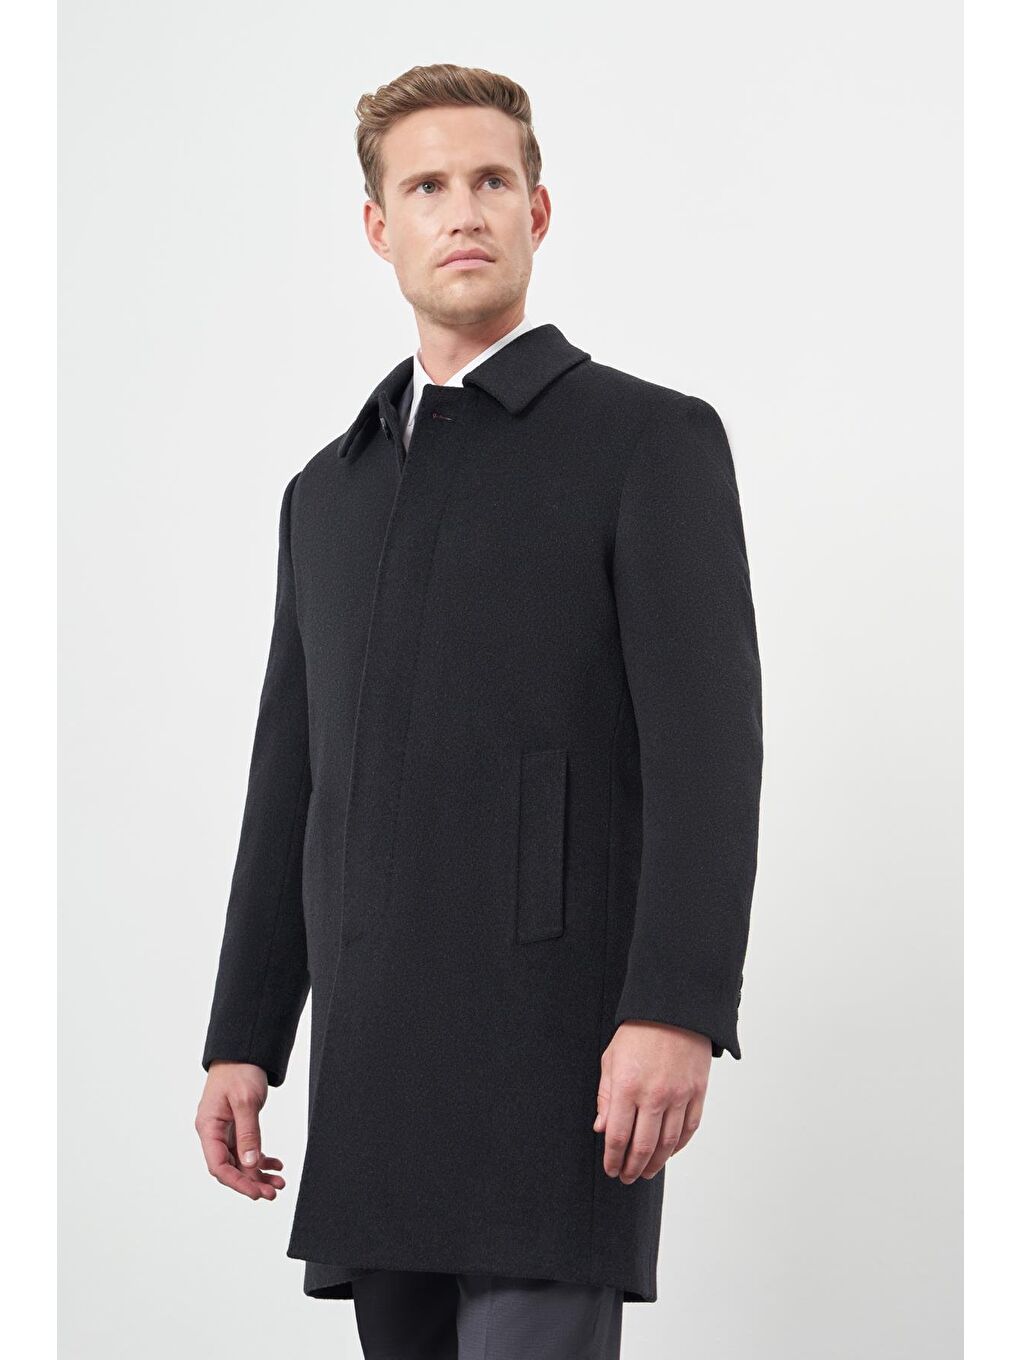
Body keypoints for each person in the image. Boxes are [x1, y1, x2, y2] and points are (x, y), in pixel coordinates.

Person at [195, 62, 764, 1360]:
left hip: (558, 1053)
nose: (463, 210)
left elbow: (710, 756)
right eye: (428, 186)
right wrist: (245, 1037)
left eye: (492, 180)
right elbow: (291, 778)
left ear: (537, 212)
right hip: (374, 1059)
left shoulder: (647, 441)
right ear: (377, 226)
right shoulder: (327, 492)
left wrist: (677, 1006)